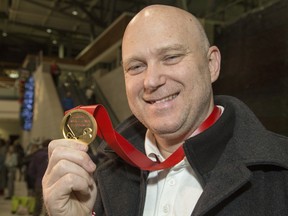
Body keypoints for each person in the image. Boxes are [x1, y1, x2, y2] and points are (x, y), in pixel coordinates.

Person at [42, 5, 288, 216]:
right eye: (136, 66)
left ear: (212, 64)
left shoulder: (278, 173)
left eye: (171, 57)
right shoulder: (99, 175)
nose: (151, 80)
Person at [28, 139, 50, 216]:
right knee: (50, 208)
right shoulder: (54, 154)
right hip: (51, 184)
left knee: (37, 206)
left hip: (39, 183)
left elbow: (31, 171)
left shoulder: (37, 155)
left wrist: (36, 180)